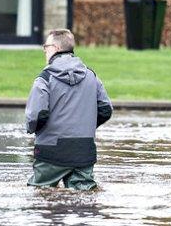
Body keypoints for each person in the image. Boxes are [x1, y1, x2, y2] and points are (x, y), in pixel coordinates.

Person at [25, 29, 113, 190]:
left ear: (56, 48)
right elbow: (106, 109)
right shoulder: (91, 76)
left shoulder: (44, 79)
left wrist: (32, 130)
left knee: (39, 195)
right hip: (84, 150)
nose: (45, 50)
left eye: (46, 46)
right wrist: (85, 125)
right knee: (83, 199)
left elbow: (36, 116)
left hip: (51, 151)